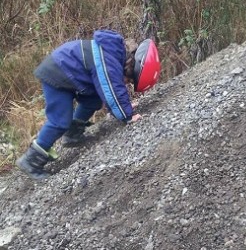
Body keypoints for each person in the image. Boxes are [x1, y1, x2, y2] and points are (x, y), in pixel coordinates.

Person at [16, 29, 161, 180]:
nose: (127, 84)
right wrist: (127, 115)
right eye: (129, 81)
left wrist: (126, 105)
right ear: (130, 69)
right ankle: (31, 160)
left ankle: (72, 134)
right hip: (56, 74)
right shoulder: (109, 60)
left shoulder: (112, 55)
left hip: (67, 73)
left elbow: (110, 88)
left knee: (93, 100)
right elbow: (112, 89)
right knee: (59, 121)